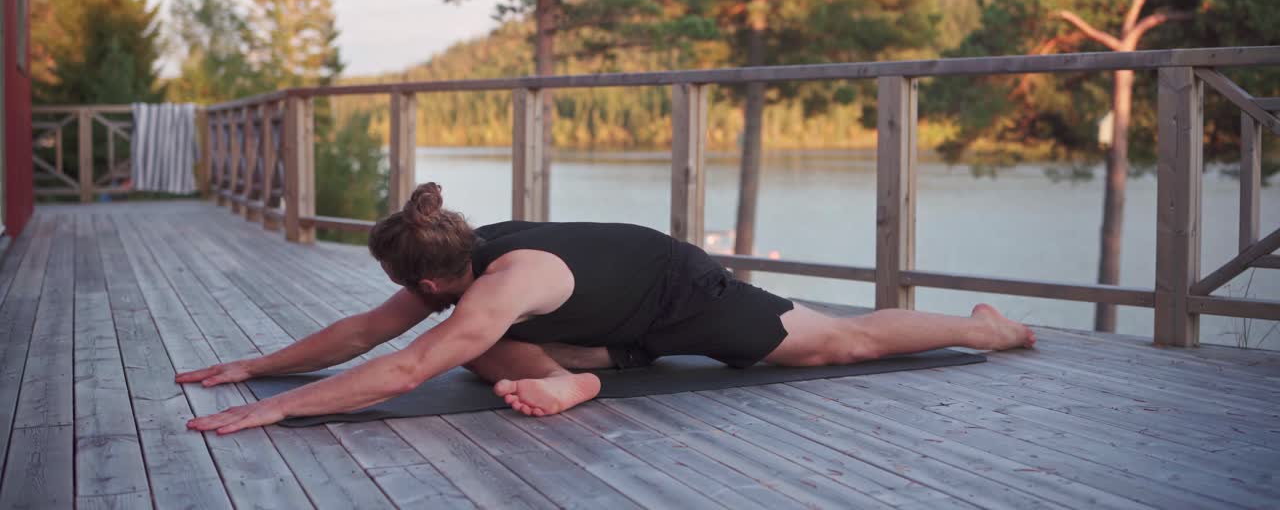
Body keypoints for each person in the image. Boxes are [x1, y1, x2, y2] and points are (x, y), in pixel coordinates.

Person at [181, 182, 1035, 434]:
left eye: (414, 293)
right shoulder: (454, 265)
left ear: (437, 278)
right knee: (468, 345)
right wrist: (255, 367)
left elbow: (402, 369)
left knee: (837, 344)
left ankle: (983, 326)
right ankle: (594, 367)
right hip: (607, 311)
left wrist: (280, 409)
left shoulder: (494, 291)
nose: (405, 301)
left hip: (674, 291)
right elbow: (367, 332)